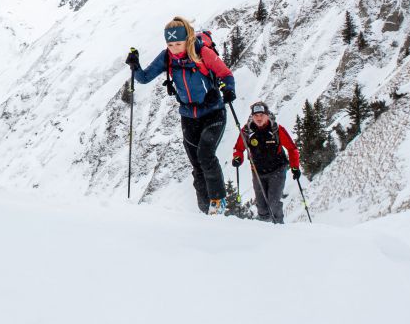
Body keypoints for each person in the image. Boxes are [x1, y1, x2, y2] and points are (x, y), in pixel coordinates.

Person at [126, 17, 235, 215]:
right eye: (170, 44)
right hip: (188, 115)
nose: (174, 48)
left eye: (178, 43)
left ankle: (218, 203)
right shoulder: (167, 57)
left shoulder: (203, 52)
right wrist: (135, 65)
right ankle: (205, 210)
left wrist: (229, 90)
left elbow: (225, 74)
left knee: (205, 155)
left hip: (213, 112)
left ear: (188, 39)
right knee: (196, 163)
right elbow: (144, 78)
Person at [232, 101, 300, 223]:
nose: (258, 118)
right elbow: (238, 148)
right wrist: (238, 158)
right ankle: (265, 230)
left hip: (277, 170)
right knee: (262, 208)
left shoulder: (276, 130)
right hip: (257, 172)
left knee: (273, 204)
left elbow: (292, 148)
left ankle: (279, 227)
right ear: (252, 116)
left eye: (261, 115)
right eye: (256, 115)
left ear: (267, 115)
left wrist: (295, 167)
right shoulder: (247, 131)